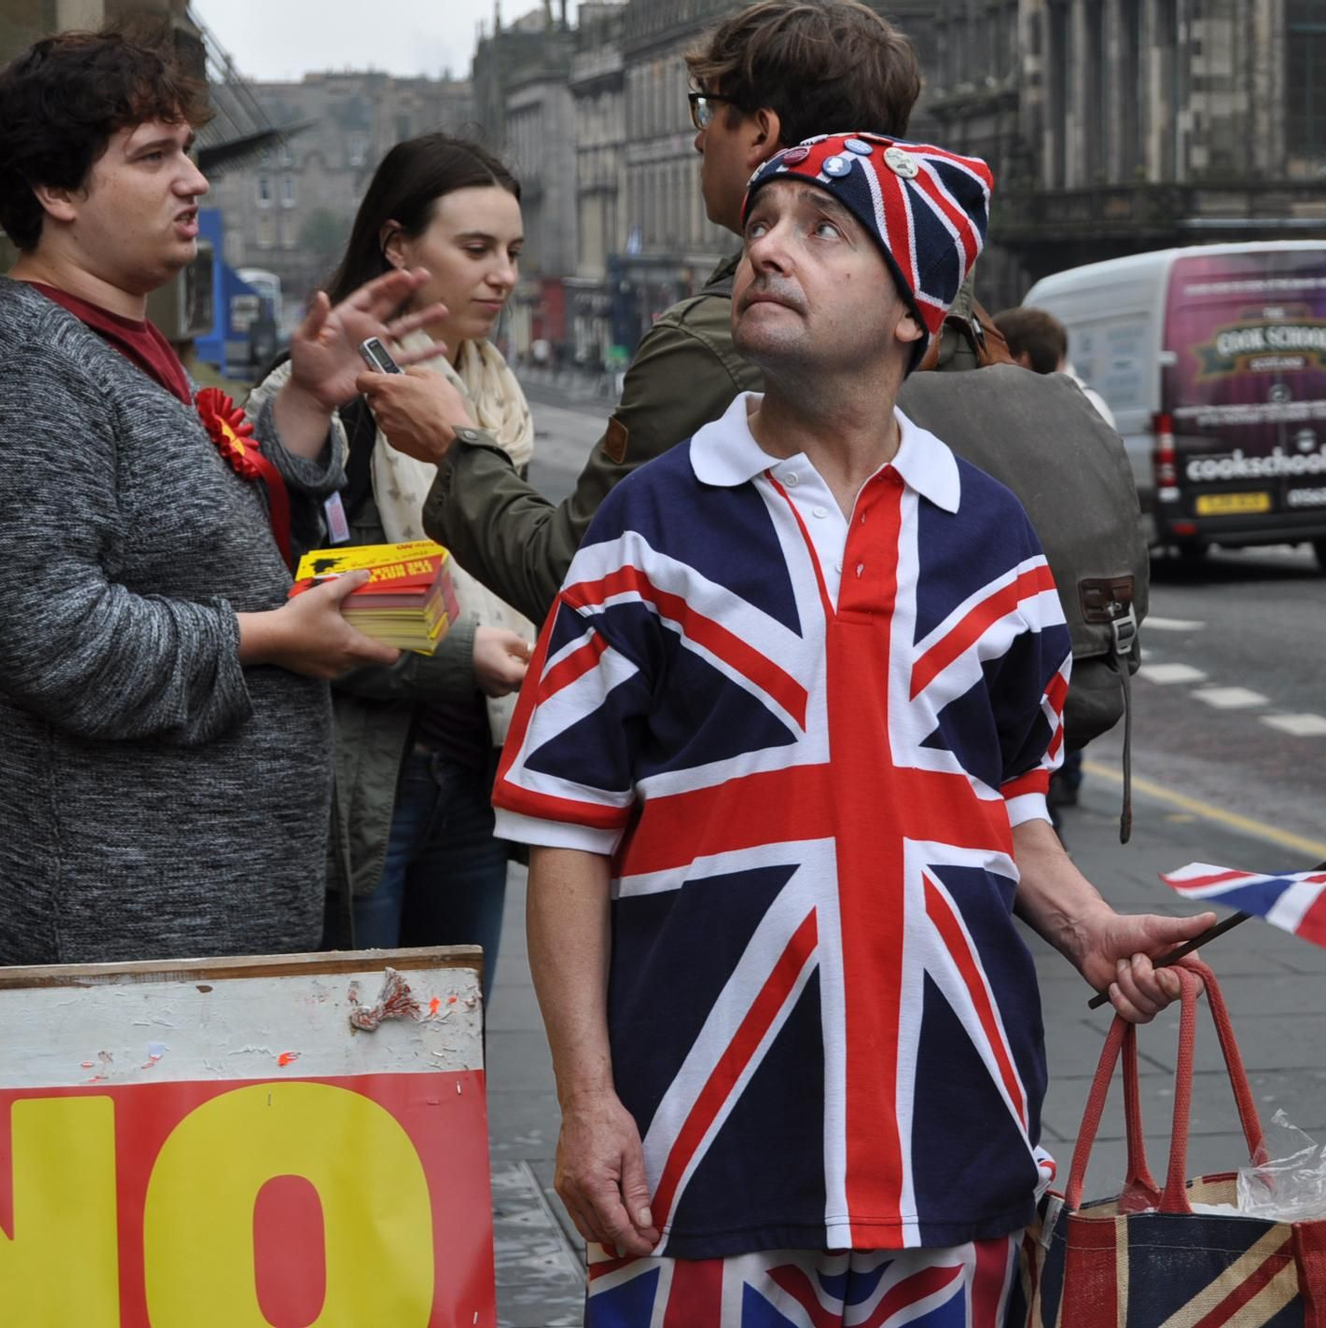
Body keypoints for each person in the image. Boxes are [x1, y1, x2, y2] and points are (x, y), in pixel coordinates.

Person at [491, 134, 1214, 1324]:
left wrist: (1090, 925)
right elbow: (567, 828)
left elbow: (1006, 801)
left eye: (820, 229)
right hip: (697, 1148)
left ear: (909, 311)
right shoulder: (645, 527)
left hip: (955, 1139)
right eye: (760, 223)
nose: (766, 248)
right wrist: (587, 1099)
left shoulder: (993, 538)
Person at [0, 26, 433, 966]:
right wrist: (269, 637)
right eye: (154, 156)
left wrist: (306, 399)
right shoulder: (30, 365)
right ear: (56, 190)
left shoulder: (118, 344)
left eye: (188, 151)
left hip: (197, 924)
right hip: (124, 937)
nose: (194, 181)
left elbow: (211, 542)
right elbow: (51, 636)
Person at [363, 0, 973, 626]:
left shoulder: (720, 339)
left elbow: (578, 577)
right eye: (477, 249)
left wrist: (455, 449)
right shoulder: (951, 316)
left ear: (759, 135)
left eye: (708, 111)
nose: (699, 137)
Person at [251, 135, 537, 985]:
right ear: (398, 246)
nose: (503, 276)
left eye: (514, 252)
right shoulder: (328, 398)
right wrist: (462, 652)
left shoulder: (493, 396)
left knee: (453, 1040)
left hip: (476, 778)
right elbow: (291, 594)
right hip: (368, 786)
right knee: (362, 1037)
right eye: (476, 249)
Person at [991, 304, 1117, 816]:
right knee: (1070, 674)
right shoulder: (1090, 404)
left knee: (1047, 677)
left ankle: (1053, 782)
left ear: (1020, 358)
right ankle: (1063, 778)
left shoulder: (1021, 410)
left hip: (1050, 566)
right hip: (1089, 566)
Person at [994, 305, 1115, 422]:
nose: (989, 370)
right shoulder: (1085, 405)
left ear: (1022, 361)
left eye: (994, 361)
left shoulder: (1077, 409)